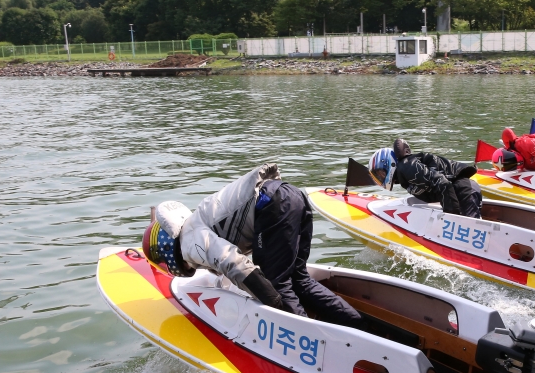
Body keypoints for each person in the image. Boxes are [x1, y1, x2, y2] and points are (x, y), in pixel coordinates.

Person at [143, 164, 363, 328]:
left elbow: (234, 263)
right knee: (298, 279)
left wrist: (274, 305)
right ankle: (357, 324)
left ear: (165, 246)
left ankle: (306, 337)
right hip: (291, 196)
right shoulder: (196, 221)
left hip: (271, 205)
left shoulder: (188, 241)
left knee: (279, 285)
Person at [368, 139, 482, 219]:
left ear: (389, 164)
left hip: (464, 189)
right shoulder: (405, 172)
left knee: (469, 234)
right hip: (464, 190)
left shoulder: (406, 167)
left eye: (380, 173)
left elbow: (443, 184)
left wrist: (450, 218)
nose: (380, 177)